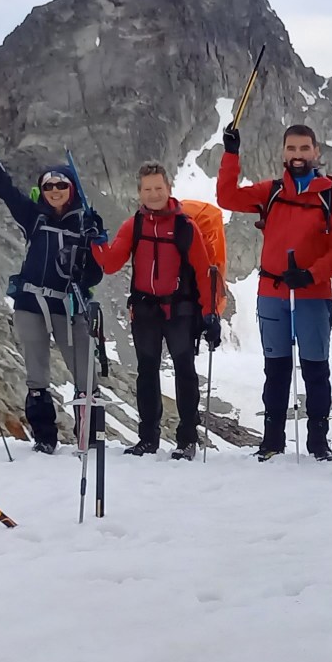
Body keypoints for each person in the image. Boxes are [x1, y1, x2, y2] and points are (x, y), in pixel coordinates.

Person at [0, 120, 106, 453]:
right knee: (36, 374)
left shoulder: (85, 224)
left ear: (71, 189)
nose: (55, 191)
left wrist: (94, 245)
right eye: (49, 186)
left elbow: (96, 276)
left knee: (84, 373)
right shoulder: (34, 217)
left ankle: (90, 437)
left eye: (61, 185)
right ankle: (45, 438)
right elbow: (4, 189)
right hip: (30, 303)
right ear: (42, 191)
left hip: (69, 306)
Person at [217, 123, 332, 461]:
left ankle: (318, 443)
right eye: (292, 149)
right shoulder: (272, 192)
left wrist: (310, 275)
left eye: (304, 149)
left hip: (312, 294)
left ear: (316, 153)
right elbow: (227, 197)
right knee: (275, 369)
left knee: (316, 369)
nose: (298, 155)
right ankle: (272, 441)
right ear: (283, 153)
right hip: (272, 291)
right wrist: (231, 154)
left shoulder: (331, 198)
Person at [92, 161, 218, 460]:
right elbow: (110, 264)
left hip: (180, 311)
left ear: (169, 189)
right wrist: (97, 241)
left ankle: (187, 440)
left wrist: (210, 314)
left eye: (158, 188)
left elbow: (203, 272)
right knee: (147, 374)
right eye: (148, 189)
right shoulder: (133, 225)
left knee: (184, 372)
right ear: (139, 192)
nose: (153, 194)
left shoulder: (185, 227)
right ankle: (148, 439)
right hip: (146, 310)